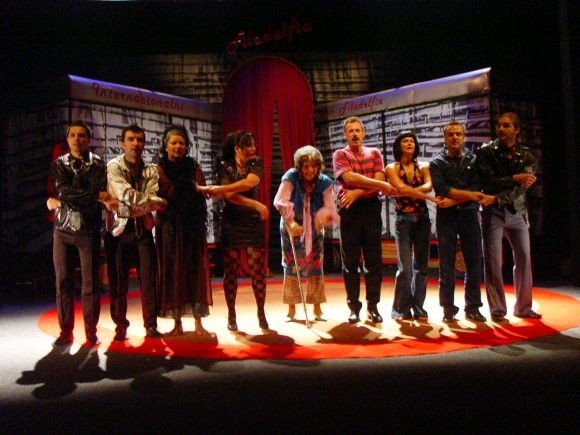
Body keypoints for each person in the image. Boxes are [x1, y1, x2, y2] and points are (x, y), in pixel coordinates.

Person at [47, 120, 117, 346]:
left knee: (90, 284)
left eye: (82, 135)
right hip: (62, 230)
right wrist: (94, 196)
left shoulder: (97, 164)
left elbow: (72, 195)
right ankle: (65, 331)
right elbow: (64, 191)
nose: (77, 139)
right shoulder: (59, 164)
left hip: (88, 230)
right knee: (63, 282)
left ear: (89, 140)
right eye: (73, 135)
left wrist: (66, 199)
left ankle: (90, 331)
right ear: (67, 139)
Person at [477, 112, 541, 322]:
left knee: (524, 258)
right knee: (493, 262)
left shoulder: (528, 156)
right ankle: (497, 310)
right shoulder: (486, 151)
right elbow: (487, 182)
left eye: (506, 126)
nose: (501, 129)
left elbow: (522, 188)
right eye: (499, 125)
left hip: (516, 211)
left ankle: (523, 307)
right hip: (493, 213)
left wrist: (496, 198)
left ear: (517, 130)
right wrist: (514, 177)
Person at [332, 116, 398, 324]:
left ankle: (373, 306)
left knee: (373, 261)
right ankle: (354, 307)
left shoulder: (375, 153)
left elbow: (379, 181)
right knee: (350, 262)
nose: (354, 134)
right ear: (345, 135)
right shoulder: (340, 154)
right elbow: (349, 178)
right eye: (350, 131)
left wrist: (357, 192)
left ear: (363, 133)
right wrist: (377, 186)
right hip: (349, 210)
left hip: (370, 208)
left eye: (357, 130)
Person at [105, 124, 167, 341]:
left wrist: (125, 206)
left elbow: (144, 201)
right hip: (117, 233)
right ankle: (120, 326)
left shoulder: (151, 170)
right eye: (131, 139)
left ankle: (151, 325)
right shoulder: (113, 166)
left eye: (140, 139)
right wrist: (151, 202)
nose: (135, 143)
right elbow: (126, 193)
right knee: (118, 283)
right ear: (121, 143)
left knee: (149, 282)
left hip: (143, 232)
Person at [430, 121, 491, 323]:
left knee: (473, 262)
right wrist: (469, 195)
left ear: (463, 137)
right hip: (446, 217)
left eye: (458, 134)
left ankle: (472, 307)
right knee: (446, 264)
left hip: (469, 215)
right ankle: (448, 308)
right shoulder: (436, 162)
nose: (455, 137)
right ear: (445, 138)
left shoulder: (473, 160)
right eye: (451, 134)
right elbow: (442, 189)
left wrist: (457, 199)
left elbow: (477, 188)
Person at [208, 131, 269, 331]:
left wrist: (221, 189)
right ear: (237, 149)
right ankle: (231, 315)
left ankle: (261, 312)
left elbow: (250, 182)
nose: (253, 149)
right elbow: (229, 196)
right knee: (231, 271)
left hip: (252, 222)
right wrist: (256, 204)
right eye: (248, 145)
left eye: (253, 144)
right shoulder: (224, 164)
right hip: (231, 221)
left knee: (257, 271)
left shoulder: (256, 162)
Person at [155, 125, 213, 336]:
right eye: (174, 142)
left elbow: (201, 192)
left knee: (195, 270)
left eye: (181, 143)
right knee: (173, 271)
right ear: (166, 145)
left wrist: (194, 190)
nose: (178, 146)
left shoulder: (193, 166)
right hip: (170, 225)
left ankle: (198, 322)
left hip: (192, 224)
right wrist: (192, 189)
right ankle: (177, 323)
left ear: (187, 146)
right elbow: (169, 192)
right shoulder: (158, 168)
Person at [273, 145, 340, 322]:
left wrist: (322, 217)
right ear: (300, 167)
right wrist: (291, 222)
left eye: (314, 166)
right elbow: (280, 201)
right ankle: (291, 309)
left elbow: (329, 206)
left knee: (316, 266)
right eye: (306, 166)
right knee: (291, 265)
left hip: (314, 227)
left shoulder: (325, 182)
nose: (310, 170)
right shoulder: (291, 177)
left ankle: (317, 308)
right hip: (291, 224)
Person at [385, 131, 440, 321]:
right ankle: (400, 308)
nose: (409, 143)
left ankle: (418, 307)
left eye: (412, 141)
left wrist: (407, 192)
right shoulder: (391, 168)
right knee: (405, 269)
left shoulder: (424, 166)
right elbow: (399, 187)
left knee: (422, 267)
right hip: (403, 221)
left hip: (423, 220)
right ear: (398, 146)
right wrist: (423, 195)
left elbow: (428, 186)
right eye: (405, 141)